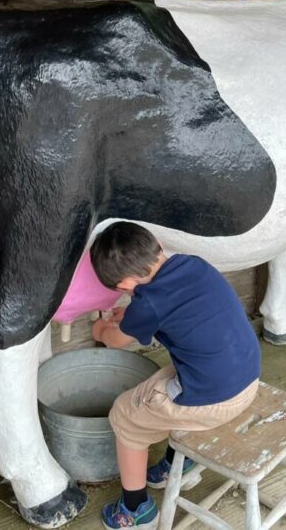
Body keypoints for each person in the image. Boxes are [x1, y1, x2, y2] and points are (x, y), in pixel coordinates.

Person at [90, 221, 261, 529]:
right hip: (246, 377)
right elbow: (166, 305)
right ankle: (178, 464)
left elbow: (116, 340)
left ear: (126, 285)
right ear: (155, 243)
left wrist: (101, 328)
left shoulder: (148, 303)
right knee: (168, 378)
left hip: (215, 400)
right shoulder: (193, 264)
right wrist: (127, 316)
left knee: (123, 415)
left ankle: (135, 510)